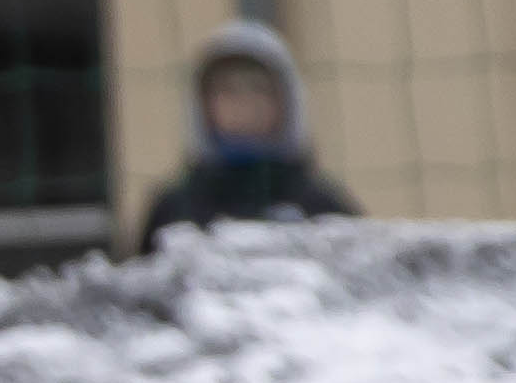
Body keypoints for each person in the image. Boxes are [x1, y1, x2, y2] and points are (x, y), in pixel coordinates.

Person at [138, 18, 360, 241]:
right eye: (227, 90)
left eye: (258, 88)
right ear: (203, 103)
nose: (244, 103)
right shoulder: (176, 210)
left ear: (287, 101)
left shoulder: (322, 208)